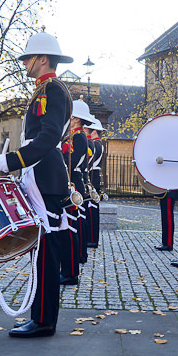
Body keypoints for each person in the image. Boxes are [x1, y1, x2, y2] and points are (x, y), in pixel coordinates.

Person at [0, 31, 73, 338]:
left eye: (28, 57)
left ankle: (43, 321)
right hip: (39, 174)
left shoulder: (52, 90)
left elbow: (48, 137)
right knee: (40, 251)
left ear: (42, 59)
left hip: (45, 175)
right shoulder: (44, 90)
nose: (24, 62)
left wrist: (13, 161)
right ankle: (39, 317)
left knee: (46, 254)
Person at [59, 99, 93, 285]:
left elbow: (71, 160)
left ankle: (77, 259)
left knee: (73, 225)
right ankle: (77, 257)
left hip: (73, 182)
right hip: (71, 180)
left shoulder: (79, 138)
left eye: (71, 117)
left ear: (77, 119)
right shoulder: (71, 136)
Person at [85, 118, 105, 249]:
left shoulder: (95, 144)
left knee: (92, 210)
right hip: (95, 175)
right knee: (92, 209)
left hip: (92, 175)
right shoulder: (98, 144)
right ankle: (92, 238)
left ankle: (92, 239)